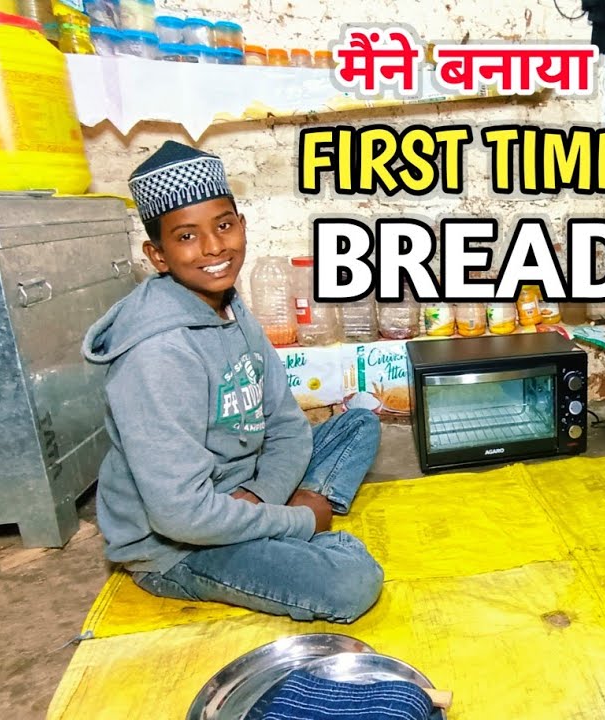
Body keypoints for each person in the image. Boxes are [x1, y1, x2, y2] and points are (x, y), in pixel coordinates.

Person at [82, 141, 384, 623]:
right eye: (186, 236)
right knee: (350, 582)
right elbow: (179, 515)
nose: (214, 247)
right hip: (178, 543)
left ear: (241, 225)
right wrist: (303, 519)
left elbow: (285, 423)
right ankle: (296, 527)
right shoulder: (158, 353)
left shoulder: (228, 304)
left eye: (223, 226)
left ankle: (276, 522)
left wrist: (265, 495)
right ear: (157, 255)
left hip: (243, 487)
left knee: (360, 423)